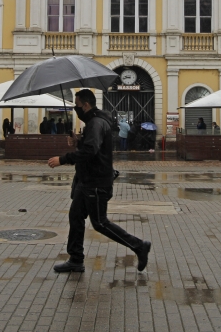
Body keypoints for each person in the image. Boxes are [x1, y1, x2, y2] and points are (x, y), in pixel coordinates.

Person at [47, 89, 151, 273]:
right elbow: (92, 147)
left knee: (100, 223)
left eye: (77, 105)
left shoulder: (95, 123)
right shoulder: (94, 122)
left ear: (86, 105)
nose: (76, 108)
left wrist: (63, 159)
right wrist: (78, 141)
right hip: (86, 181)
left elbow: (91, 152)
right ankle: (76, 259)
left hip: (95, 182)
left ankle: (139, 246)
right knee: (76, 216)